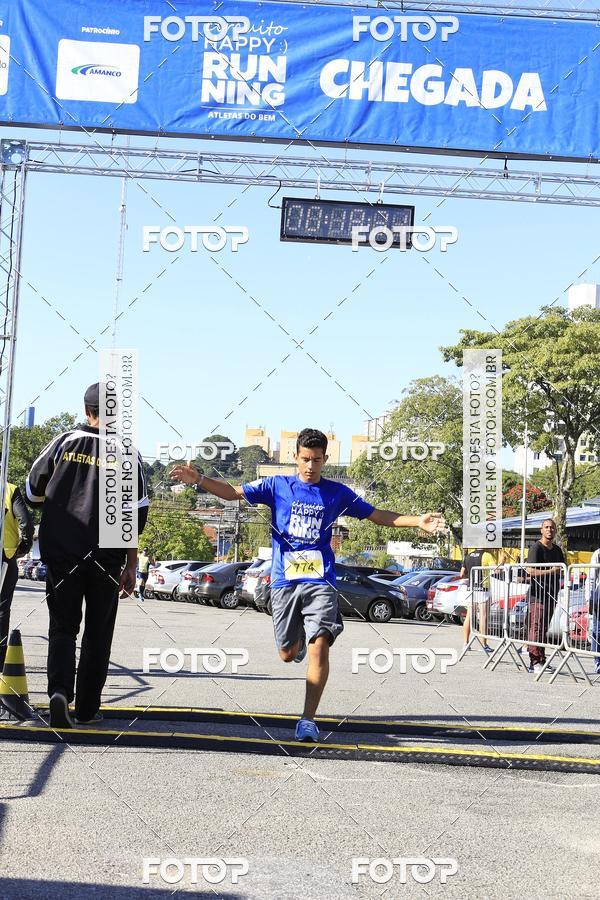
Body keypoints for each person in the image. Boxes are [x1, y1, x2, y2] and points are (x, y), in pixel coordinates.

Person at [171, 427, 444, 742]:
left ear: (325, 459)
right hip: (284, 580)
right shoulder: (277, 485)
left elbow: (375, 515)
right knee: (288, 653)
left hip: (320, 580)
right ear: (295, 457)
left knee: (320, 647)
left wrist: (415, 520)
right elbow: (234, 493)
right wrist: (200, 480)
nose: (310, 466)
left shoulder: (337, 493)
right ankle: (296, 641)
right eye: (305, 459)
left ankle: (307, 720)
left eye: (317, 460)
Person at [26, 383, 149, 728]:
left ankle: (59, 692)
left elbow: (32, 489)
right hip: (106, 554)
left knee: (62, 626)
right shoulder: (128, 453)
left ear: (86, 409)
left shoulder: (63, 442)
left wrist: (59, 503)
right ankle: (87, 709)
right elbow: (136, 512)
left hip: (63, 549)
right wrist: (131, 562)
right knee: (98, 631)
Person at [0, 478, 34, 670]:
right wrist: (25, 545)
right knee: (2, 610)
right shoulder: (10, 490)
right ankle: (0, 659)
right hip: (5, 556)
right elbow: (27, 523)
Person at [526, 519, 565, 675]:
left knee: (543, 629)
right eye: (546, 527)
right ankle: (534, 662)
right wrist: (551, 571)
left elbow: (562, 569)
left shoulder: (557, 550)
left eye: (552, 528)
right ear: (541, 530)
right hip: (537, 595)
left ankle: (541, 660)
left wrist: (558, 572)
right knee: (536, 628)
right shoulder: (536, 548)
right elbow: (530, 571)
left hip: (551, 594)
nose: (550, 530)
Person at [460, 548, 500, 653]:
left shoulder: (468, 556)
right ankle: (483, 644)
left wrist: (470, 576)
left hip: (471, 588)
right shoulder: (487, 555)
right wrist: (502, 562)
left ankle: (465, 642)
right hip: (483, 589)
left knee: (469, 615)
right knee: (483, 616)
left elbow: (461, 574)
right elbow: (497, 570)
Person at [584, 546, 600, 675]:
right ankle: (598, 662)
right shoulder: (598, 554)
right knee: (598, 630)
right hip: (598, 595)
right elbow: (591, 578)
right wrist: (589, 599)